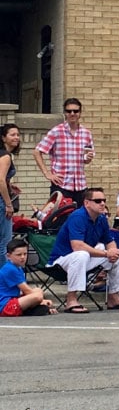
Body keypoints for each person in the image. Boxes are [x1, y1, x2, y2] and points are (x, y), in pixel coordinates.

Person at [48, 188, 119, 312]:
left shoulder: (101, 219)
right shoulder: (77, 216)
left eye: (104, 200)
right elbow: (77, 246)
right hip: (62, 260)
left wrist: (112, 252)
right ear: (87, 203)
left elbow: (109, 241)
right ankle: (71, 300)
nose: (102, 204)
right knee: (81, 254)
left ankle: (114, 297)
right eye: (98, 201)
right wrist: (106, 253)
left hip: (85, 258)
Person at [32, 98, 94, 203]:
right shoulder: (56, 131)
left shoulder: (86, 133)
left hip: (80, 186)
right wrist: (47, 173)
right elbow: (37, 151)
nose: (72, 114)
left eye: (76, 111)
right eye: (69, 111)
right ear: (65, 113)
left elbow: (86, 160)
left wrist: (88, 158)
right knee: (61, 218)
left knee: (80, 218)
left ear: (80, 113)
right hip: (62, 185)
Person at [0, 238, 58, 317]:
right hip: (5, 306)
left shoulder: (18, 267)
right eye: (19, 255)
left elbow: (25, 292)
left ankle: (32, 309)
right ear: (8, 256)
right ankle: (33, 309)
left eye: (25, 254)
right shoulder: (10, 269)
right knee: (37, 296)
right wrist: (42, 301)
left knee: (38, 290)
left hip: (13, 299)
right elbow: (27, 291)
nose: (23, 257)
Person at [0, 123, 21, 267]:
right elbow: (0, 179)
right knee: (5, 242)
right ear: (3, 138)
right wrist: (8, 204)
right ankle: (4, 278)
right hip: (1, 203)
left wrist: (9, 185)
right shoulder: (5, 156)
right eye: (12, 135)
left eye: (18, 135)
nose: (16, 138)